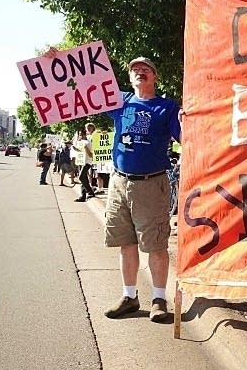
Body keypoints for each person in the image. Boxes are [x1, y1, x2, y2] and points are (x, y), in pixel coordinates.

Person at [45, 47, 182, 323]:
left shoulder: (167, 108)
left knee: (155, 244)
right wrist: (60, 60)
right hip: (119, 183)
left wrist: (187, 119)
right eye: (134, 69)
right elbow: (85, 86)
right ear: (129, 77)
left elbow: (187, 138)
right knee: (125, 243)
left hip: (151, 184)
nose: (139, 71)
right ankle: (130, 297)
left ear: (155, 76)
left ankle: (158, 299)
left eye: (145, 68)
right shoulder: (119, 100)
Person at [74, 129, 96, 202]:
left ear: (84, 135)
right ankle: (83, 196)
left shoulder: (88, 143)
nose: (80, 136)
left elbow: (91, 155)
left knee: (81, 177)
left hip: (87, 162)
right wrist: (76, 149)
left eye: (81, 135)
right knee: (84, 178)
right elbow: (80, 152)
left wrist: (85, 147)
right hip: (81, 162)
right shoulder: (80, 143)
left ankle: (90, 192)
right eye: (79, 135)